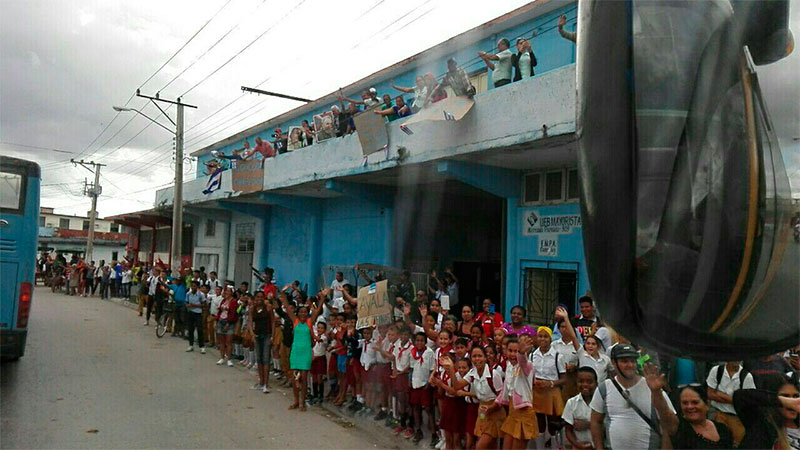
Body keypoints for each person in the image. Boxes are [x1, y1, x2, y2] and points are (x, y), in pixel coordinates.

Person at [589, 344, 678, 449]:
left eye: (633, 361)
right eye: (624, 361)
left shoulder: (652, 386)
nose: (630, 365)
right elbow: (595, 421)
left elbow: (672, 427)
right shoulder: (604, 388)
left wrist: (656, 392)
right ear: (613, 362)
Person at [276, 292, 323, 411]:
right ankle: (296, 401)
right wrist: (283, 295)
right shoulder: (295, 321)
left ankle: (302, 402)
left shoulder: (309, 322)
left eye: (305, 312)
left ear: (307, 314)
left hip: (306, 352)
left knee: (304, 377)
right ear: (298, 313)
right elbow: (287, 307)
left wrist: (322, 298)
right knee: (295, 377)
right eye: (301, 312)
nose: (303, 314)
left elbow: (317, 310)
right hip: (295, 352)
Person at [733, 373, 800, 449]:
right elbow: (740, 397)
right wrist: (783, 402)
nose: (792, 402)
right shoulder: (761, 424)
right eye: (786, 396)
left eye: (795, 396)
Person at [497, 335, 538, 449]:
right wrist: (494, 404)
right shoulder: (509, 366)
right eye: (510, 351)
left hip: (524, 414)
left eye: (516, 351)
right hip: (512, 412)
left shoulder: (527, 366)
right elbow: (505, 390)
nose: (512, 354)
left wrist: (521, 352)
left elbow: (522, 360)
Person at [530, 324, 566, 449]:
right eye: (540, 336)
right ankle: (540, 448)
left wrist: (550, 383)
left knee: (552, 424)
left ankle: (555, 447)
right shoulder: (532, 356)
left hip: (552, 391)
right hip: (537, 391)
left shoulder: (557, 356)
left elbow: (564, 379)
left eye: (546, 337)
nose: (542, 339)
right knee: (539, 422)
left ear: (550, 339)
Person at [665, 385, 734, 449]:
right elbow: (664, 413)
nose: (690, 407)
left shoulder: (722, 429)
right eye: (685, 403)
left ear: (706, 405)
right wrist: (657, 392)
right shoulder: (679, 429)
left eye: (695, 402)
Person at [706, 361, 755, 446]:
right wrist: (735, 400)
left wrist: (720, 394)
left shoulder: (746, 376)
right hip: (719, 415)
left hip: (737, 419)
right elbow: (710, 394)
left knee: (738, 445)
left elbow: (747, 402)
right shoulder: (717, 371)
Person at [563, 367, 598, 450]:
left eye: (589, 382)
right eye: (581, 381)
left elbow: (608, 426)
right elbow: (568, 430)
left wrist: (588, 425)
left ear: (596, 383)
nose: (585, 385)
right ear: (576, 383)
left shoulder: (603, 403)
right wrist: (578, 445)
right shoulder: (571, 403)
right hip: (579, 446)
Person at [248, 291, 273, 393]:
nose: (259, 299)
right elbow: (250, 322)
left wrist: (273, 336)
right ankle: (261, 382)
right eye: (257, 297)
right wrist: (252, 334)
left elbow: (272, 322)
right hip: (257, 335)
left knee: (266, 359)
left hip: (266, 335)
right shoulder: (252, 309)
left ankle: (266, 384)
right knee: (259, 359)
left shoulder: (268, 308)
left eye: (261, 297)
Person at [216, 286, 238, 367]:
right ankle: (222, 357)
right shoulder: (223, 301)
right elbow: (219, 311)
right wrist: (218, 319)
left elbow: (233, 314)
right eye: (226, 291)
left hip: (229, 322)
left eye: (228, 291)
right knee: (222, 341)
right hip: (221, 321)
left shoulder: (233, 302)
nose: (226, 293)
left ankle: (229, 358)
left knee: (228, 342)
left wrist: (228, 323)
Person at [184, 280, 207, 354]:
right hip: (190, 313)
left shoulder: (201, 295)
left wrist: (195, 306)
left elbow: (204, 305)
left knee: (200, 330)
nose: (193, 287)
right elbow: (187, 303)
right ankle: (191, 345)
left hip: (198, 313)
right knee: (191, 329)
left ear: (197, 287)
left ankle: (202, 346)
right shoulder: (188, 294)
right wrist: (187, 306)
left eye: (194, 286)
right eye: (192, 286)